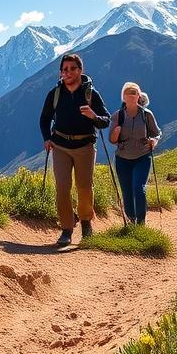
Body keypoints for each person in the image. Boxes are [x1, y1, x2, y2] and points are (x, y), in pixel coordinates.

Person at [39, 53, 110, 246]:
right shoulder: (54, 94)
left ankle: (86, 221)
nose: (67, 72)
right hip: (60, 146)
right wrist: (47, 138)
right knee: (62, 187)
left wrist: (94, 116)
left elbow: (106, 120)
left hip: (85, 146)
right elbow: (44, 119)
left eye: (71, 69)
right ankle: (67, 229)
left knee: (84, 187)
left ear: (80, 70)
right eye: (64, 69)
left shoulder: (90, 94)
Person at [110, 82, 161, 225]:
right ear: (123, 97)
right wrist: (115, 133)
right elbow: (112, 140)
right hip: (122, 159)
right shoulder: (117, 116)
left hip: (142, 157)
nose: (131, 95)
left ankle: (141, 222)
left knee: (138, 188)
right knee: (126, 191)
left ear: (139, 96)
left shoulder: (146, 114)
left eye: (134, 93)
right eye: (128, 93)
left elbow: (156, 133)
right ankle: (131, 218)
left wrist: (154, 141)